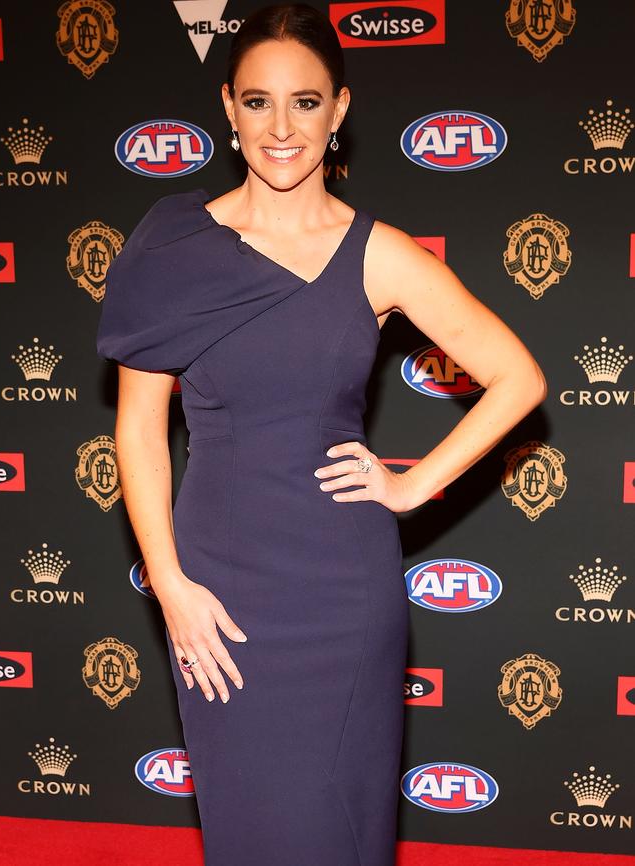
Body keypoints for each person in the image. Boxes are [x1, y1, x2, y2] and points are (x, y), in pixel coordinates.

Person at [96, 3, 546, 864]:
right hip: (219, 590)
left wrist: (413, 484)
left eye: (306, 102)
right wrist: (171, 586)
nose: (281, 127)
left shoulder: (378, 253)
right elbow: (140, 431)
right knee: (251, 830)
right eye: (258, 101)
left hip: (343, 593)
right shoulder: (173, 246)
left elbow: (518, 377)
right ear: (228, 109)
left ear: (339, 110)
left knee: (341, 829)